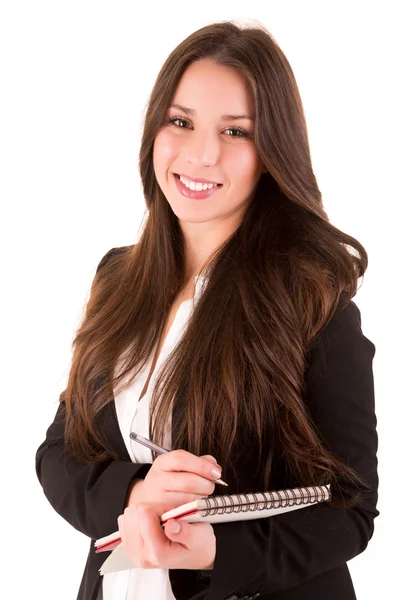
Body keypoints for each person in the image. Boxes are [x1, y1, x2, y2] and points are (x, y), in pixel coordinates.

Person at [35, 19, 379, 600]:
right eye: (181, 121)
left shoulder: (311, 297)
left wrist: (214, 549)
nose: (201, 154)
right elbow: (60, 453)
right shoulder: (118, 276)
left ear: (272, 153)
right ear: (154, 131)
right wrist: (135, 491)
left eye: (236, 132)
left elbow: (350, 510)